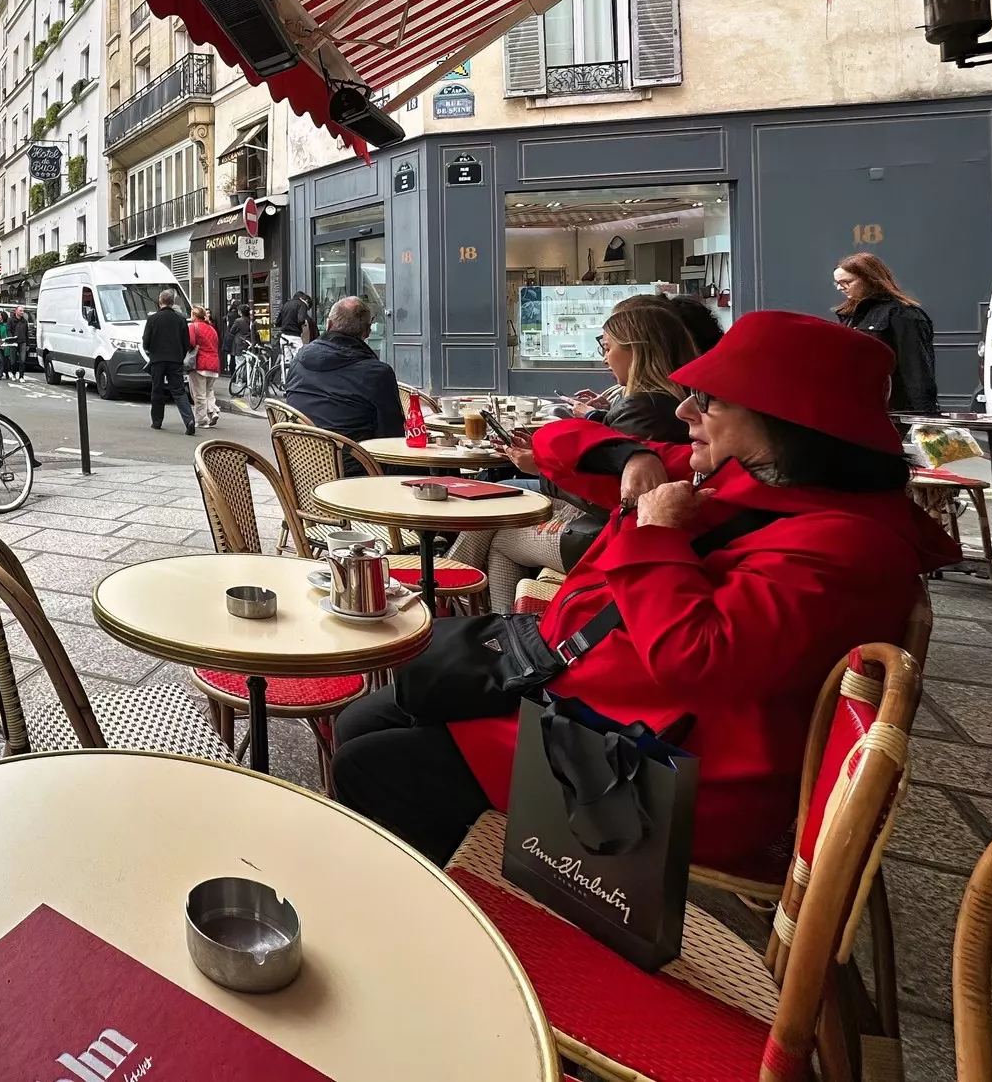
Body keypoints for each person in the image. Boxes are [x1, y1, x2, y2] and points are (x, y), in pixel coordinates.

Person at [329, 310, 958, 874]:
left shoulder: (847, 545)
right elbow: (557, 441)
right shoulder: (760, 479)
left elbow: (700, 660)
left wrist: (656, 533)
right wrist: (630, 456)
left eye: (707, 400)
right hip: (604, 704)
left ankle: (464, 915)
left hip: (665, 772)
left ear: (784, 421)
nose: (685, 412)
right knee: (366, 717)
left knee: (374, 765)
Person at [485, 302, 698, 608]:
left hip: (604, 538)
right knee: (494, 504)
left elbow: (608, 496)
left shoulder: (642, 407)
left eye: (607, 347)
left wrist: (540, 467)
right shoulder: (665, 403)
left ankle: (482, 619)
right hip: (628, 536)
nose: (603, 358)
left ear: (635, 351)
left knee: (499, 532)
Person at [281, 297, 403, 442]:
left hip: (300, 459)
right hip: (357, 461)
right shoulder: (377, 374)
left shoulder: (299, 360)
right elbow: (393, 436)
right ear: (367, 331)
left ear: (328, 324)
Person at [834, 252, 938, 415]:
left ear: (869, 278)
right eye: (837, 283)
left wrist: (925, 419)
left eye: (846, 282)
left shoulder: (903, 314)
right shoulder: (850, 314)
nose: (840, 287)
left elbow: (917, 371)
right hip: (858, 408)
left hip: (892, 411)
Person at [142, 288, 196, 434]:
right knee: (178, 391)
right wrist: (180, 355)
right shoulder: (180, 319)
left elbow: (145, 341)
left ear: (160, 301)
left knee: (157, 390)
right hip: (175, 360)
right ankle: (189, 420)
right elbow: (186, 342)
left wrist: (151, 351)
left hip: (157, 360)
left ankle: (157, 421)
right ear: (173, 303)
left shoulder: (152, 319)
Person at [187, 305, 222, 427]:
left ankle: (202, 420)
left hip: (200, 363)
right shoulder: (211, 328)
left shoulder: (193, 327)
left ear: (195, 316)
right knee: (209, 391)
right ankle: (213, 411)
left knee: (199, 394)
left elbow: (190, 343)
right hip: (214, 364)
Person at [6, 306, 30, 381]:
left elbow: (26, 333)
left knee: (22, 360)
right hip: (14, 342)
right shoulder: (10, 320)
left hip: (22, 342)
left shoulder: (25, 321)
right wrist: (12, 338)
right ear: (16, 311)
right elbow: (8, 330)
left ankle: (21, 376)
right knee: (13, 360)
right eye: (20, 311)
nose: (22, 312)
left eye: (23, 311)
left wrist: (28, 344)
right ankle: (13, 374)